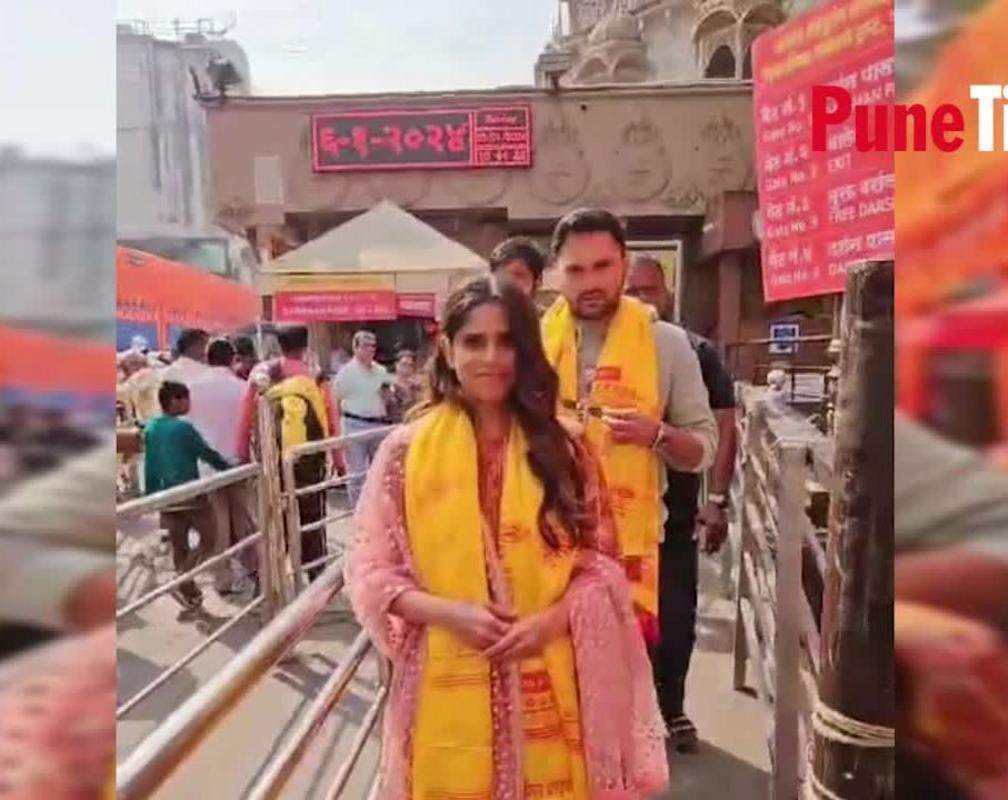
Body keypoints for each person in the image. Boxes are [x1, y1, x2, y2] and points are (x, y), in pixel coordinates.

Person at [345, 276, 668, 799]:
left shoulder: (566, 448)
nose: (491, 357)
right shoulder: (405, 454)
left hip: (554, 675)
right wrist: (448, 612)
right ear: (447, 348)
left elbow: (603, 565)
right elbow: (370, 572)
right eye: (474, 341)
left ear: (526, 351)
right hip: (444, 677)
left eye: (507, 341)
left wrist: (552, 620)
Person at [541, 208, 718, 646]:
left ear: (624, 262)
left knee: (628, 686)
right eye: (576, 270)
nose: (591, 282)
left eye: (602, 266)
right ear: (556, 276)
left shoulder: (666, 344)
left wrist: (656, 435)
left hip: (635, 548)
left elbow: (704, 448)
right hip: (546, 545)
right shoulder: (535, 341)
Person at [625, 252, 738, 751]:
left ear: (666, 295)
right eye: (632, 292)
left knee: (674, 616)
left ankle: (671, 708)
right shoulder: (592, 353)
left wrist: (717, 500)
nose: (639, 301)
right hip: (610, 519)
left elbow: (723, 425)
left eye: (648, 291)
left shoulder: (692, 350)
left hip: (673, 513)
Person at [236, 325, 340, 581]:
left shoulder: (261, 375)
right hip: (309, 460)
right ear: (305, 348)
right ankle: (315, 576)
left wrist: (243, 455)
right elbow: (332, 420)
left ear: (278, 345)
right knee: (312, 517)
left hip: (272, 460)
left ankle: (273, 578)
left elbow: (245, 417)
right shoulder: (316, 377)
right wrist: (338, 460)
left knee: (274, 519)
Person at [144, 381, 232, 615]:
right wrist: (230, 469)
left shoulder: (151, 428)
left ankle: (191, 595)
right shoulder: (183, 429)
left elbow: (150, 466)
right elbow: (206, 454)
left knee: (179, 546)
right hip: (191, 494)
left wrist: (152, 498)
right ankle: (182, 578)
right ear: (174, 401)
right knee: (209, 539)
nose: (189, 404)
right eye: (186, 399)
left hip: (167, 496)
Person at [187, 338, 256, 594]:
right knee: (244, 519)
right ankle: (255, 571)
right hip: (238, 462)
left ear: (207, 358)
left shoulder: (193, 389)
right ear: (232, 358)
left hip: (206, 466)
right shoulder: (242, 388)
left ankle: (222, 579)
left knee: (218, 524)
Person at [331, 329, 392, 506]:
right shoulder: (345, 373)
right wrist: (336, 433)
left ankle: (376, 511)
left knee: (379, 471)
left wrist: (388, 394)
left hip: (378, 423)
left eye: (373, 346)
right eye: (365, 345)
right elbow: (335, 401)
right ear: (356, 348)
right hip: (354, 424)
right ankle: (357, 511)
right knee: (357, 473)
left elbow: (387, 398)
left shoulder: (381, 371)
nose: (370, 349)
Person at [384, 349, 423, 423]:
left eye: (410, 365)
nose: (406, 368)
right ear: (396, 364)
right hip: (391, 424)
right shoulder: (388, 385)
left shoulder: (417, 387)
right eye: (403, 364)